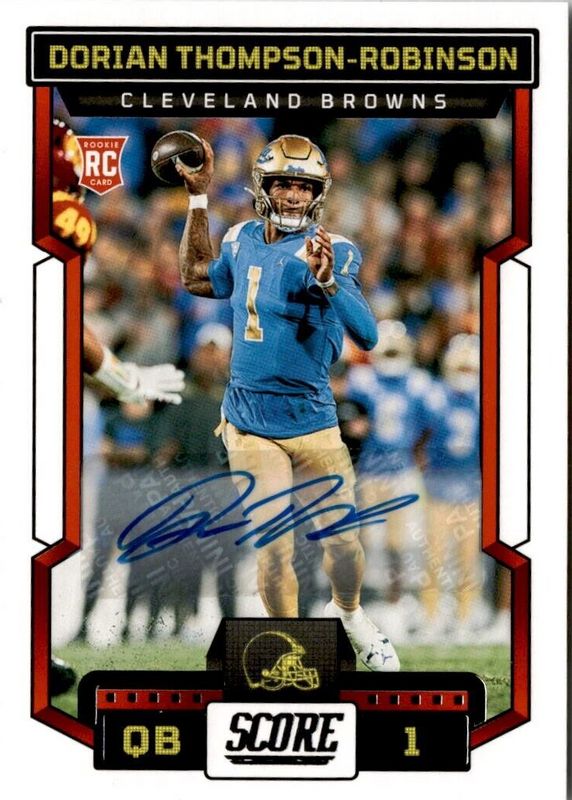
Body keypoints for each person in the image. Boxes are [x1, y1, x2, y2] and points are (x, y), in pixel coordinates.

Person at [176, 133, 399, 671]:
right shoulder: (239, 238)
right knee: (273, 546)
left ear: (318, 193)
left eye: (304, 187)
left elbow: (368, 335)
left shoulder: (335, 249)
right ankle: (293, 652)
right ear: (263, 186)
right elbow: (194, 277)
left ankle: (349, 614)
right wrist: (198, 199)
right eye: (283, 184)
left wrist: (329, 281)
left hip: (312, 419)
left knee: (342, 546)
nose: (295, 195)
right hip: (250, 421)